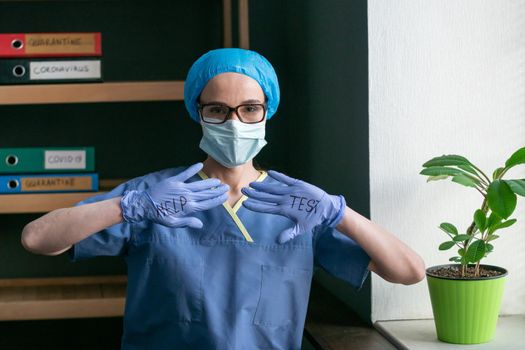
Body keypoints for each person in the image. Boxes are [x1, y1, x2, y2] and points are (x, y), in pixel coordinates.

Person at [21, 48, 425, 350]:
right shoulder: (158, 197)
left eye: (250, 109)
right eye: (217, 109)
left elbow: (409, 272)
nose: (234, 122)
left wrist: (338, 213)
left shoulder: (295, 206)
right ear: (198, 112)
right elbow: (36, 239)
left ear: (268, 111)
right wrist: (127, 206)